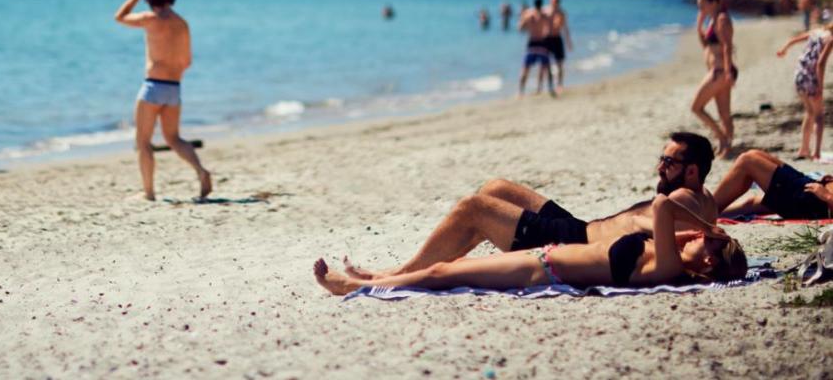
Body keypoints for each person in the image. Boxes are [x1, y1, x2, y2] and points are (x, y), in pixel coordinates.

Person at [341, 132, 719, 279]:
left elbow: (672, 219)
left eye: (669, 163)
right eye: (662, 158)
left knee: (472, 208)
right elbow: (700, 223)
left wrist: (700, 229)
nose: (659, 167)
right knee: (498, 188)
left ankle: (394, 275)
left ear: (691, 172)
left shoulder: (681, 200)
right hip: (580, 227)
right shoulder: (704, 201)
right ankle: (414, 265)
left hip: (578, 246)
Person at [314, 194, 746, 296]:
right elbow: (668, 209)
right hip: (544, 256)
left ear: (707, 266)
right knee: (446, 270)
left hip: (546, 270)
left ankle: (358, 287)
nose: (706, 249)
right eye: (712, 245)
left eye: (712, 255)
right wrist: (701, 231)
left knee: (443, 274)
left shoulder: (668, 269)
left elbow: (664, 204)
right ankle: (378, 276)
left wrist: (711, 230)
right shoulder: (665, 253)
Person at [114, 0, 212, 201]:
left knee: (143, 142)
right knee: (174, 139)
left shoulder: (150, 19)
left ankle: (148, 193)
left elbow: (120, 17)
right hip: (174, 88)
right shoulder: (182, 23)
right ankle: (201, 171)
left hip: (153, 87)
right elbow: (187, 61)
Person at [714, 150, 833, 220]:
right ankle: (710, 213)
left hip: (813, 202)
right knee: (754, 153)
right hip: (813, 189)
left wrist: (827, 196)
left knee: (748, 161)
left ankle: (705, 211)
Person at [776, 23, 833, 159]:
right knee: (819, 116)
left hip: (799, 75)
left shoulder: (818, 31)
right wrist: (819, 86)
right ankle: (817, 153)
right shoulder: (830, 39)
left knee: (809, 112)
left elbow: (794, 39)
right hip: (811, 77)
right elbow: (820, 63)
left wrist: (784, 49)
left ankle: (804, 149)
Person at [693, 0, 736, 157]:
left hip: (720, 71)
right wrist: (700, 22)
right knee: (723, 113)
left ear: (714, 2)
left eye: (703, 5)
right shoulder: (713, 19)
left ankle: (723, 139)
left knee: (696, 107)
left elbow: (727, 46)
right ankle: (726, 145)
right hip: (718, 70)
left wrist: (727, 73)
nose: (700, 9)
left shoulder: (722, 19)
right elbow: (705, 44)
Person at [518, 0, 554, 97]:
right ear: (541, 3)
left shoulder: (529, 14)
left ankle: (521, 91)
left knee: (525, 68)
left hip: (532, 42)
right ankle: (541, 89)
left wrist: (525, 21)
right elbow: (550, 28)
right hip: (542, 42)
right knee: (544, 67)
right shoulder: (544, 14)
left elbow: (520, 28)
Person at [543, 0, 574, 92]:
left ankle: (560, 84)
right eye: (553, 0)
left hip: (557, 38)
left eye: (556, 0)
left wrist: (569, 42)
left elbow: (565, 29)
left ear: (559, 1)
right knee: (546, 63)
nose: (554, 2)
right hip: (547, 38)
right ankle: (549, 85)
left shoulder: (561, 13)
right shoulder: (545, 10)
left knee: (560, 63)